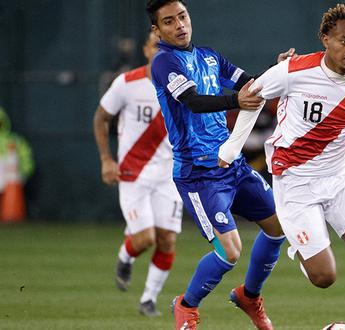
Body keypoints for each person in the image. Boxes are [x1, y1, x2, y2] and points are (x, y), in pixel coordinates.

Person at [218, 4, 345, 330]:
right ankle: (302, 248)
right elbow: (250, 96)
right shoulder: (293, 72)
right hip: (295, 182)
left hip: (339, 176)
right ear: (325, 39)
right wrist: (230, 147)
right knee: (324, 277)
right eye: (344, 41)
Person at [145, 1, 294, 329]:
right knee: (230, 251)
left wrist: (279, 73)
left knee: (280, 226)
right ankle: (185, 305)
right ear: (157, 30)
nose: (180, 25)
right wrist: (235, 101)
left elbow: (250, 83)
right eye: (169, 22)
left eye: (182, 17)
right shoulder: (164, 62)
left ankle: (249, 297)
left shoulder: (210, 56)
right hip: (199, 175)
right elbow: (193, 101)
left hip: (234, 167)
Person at [93, 31, 183, 317]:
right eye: (157, 46)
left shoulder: (181, 87)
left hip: (169, 174)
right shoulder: (126, 83)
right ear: (146, 50)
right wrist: (107, 159)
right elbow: (101, 117)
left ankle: (148, 300)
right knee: (145, 239)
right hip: (132, 173)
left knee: (167, 239)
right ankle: (125, 255)